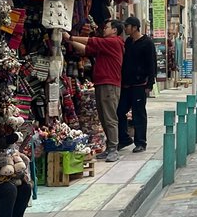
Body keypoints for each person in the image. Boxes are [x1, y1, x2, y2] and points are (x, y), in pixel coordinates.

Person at [66, 20, 123, 162]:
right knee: (103, 117)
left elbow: (92, 41)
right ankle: (109, 147)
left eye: (107, 27)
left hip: (109, 83)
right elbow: (86, 50)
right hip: (102, 82)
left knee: (110, 117)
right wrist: (69, 41)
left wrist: (71, 37)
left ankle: (114, 149)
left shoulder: (114, 42)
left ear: (115, 30)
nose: (104, 29)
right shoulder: (106, 46)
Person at [117, 16, 157, 153]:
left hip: (140, 84)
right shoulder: (128, 41)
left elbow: (152, 64)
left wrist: (150, 84)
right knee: (120, 111)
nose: (125, 29)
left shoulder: (147, 43)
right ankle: (123, 138)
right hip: (126, 84)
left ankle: (140, 142)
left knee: (138, 113)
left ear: (134, 27)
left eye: (127, 26)